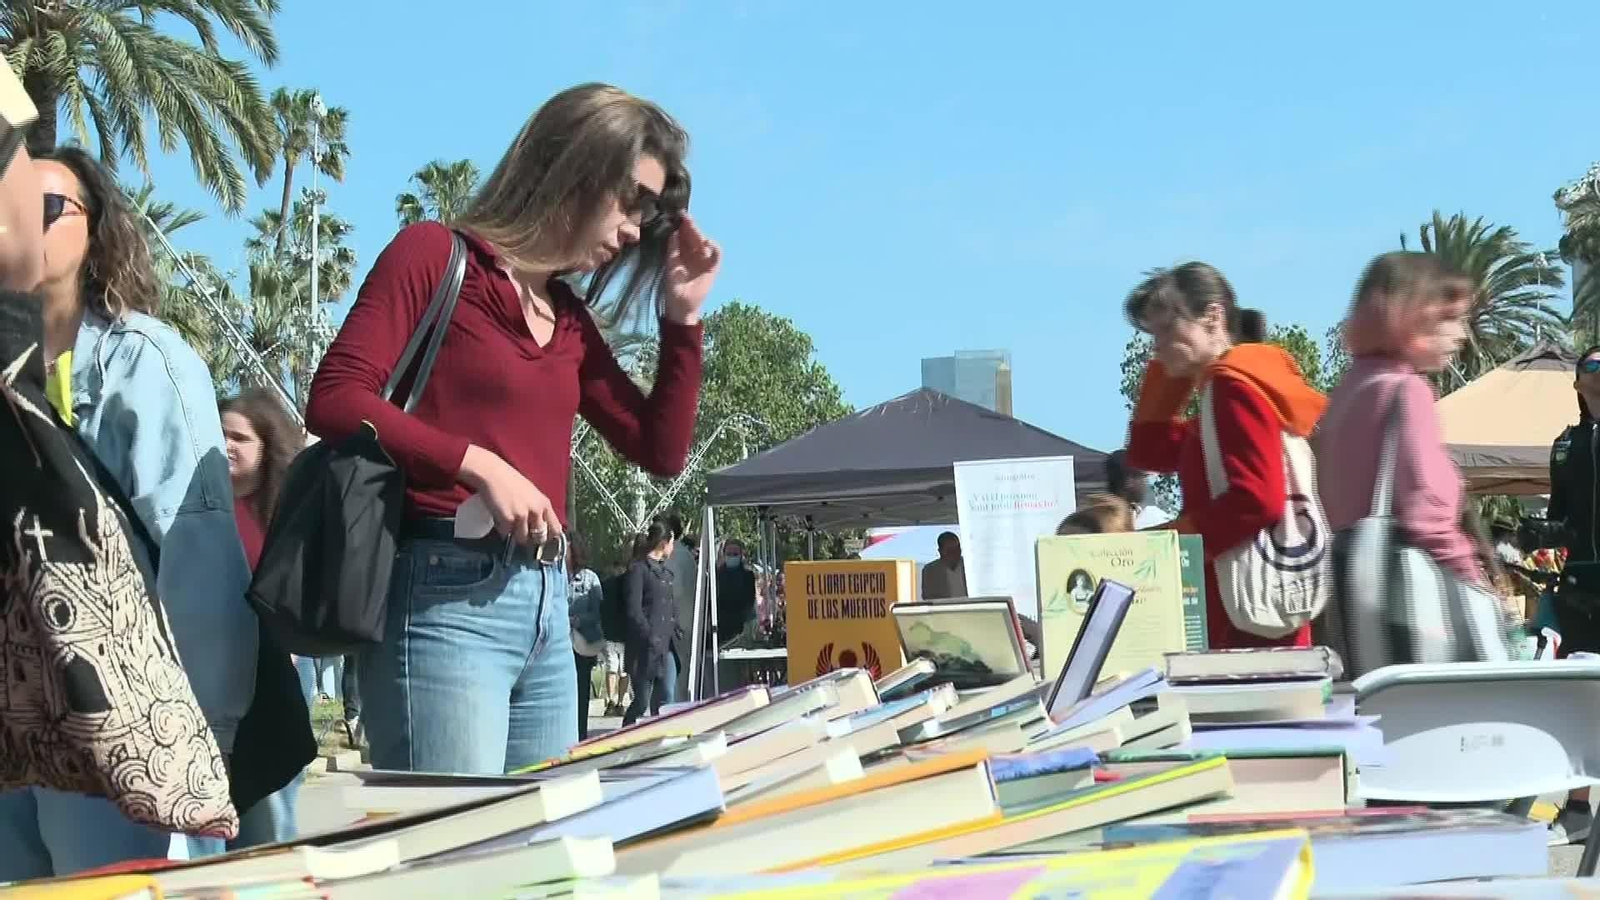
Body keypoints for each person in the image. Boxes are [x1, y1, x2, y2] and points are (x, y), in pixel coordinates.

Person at [305, 83, 720, 774]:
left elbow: (662, 449)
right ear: (574, 166)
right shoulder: (433, 256)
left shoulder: (569, 322)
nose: (632, 230)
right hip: (441, 597)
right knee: (454, 862)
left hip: (548, 612)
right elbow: (335, 398)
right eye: (631, 200)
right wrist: (475, 463)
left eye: (650, 215)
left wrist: (682, 317)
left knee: (539, 859)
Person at [0, 148, 260, 876]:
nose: (22, 220)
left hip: (116, 721)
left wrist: (207, 731)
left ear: (96, 234)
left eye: (50, 208)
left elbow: (200, 557)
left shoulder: (145, 363)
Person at [1124, 261, 1324, 650]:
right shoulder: (1228, 391)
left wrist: (1169, 542)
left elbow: (1256, 499)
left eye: (1167, 328)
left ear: (1213, 315)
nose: (1156, 345)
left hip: (1247, 618)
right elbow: (1150, 450)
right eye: (1153, 334)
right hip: (1249, 605)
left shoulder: (1233, 388)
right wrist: (1175, 368)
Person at [1319, 253, 1484, 585]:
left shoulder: (1349, 390)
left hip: (1355, 602)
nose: (1462, 334)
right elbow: (1428, 518)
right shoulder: (1407, 392)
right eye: (1450, 317)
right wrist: (1482, 592)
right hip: (1415, 607)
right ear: (1413, 314)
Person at [219, 388, 306, 848]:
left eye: (239, 437)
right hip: (211, 674)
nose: (226, 444)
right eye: (220, 434)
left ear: (267, 445)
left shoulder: (287, 510)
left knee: (269, 819)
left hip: (275, 671)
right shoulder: (201, 509)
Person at [1539, 344, 1600, 845]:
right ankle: (1577, 809)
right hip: (1581, 584)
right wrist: (1533, 536)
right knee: (1581, 696)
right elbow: (1561, 516)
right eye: (1593, 367)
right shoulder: (1564, 444)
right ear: (1578, 382)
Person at [622, 520, 682, 725]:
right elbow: (633, 610)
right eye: (672, 542)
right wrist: (650, 635)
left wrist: (676, 628)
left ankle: (663, 736)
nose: (673, 548)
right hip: (644, 649)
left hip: (667, 647)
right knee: (641, 701)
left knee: (666, 696)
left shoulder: (666, 573)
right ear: (664, 543)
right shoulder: (639, 570)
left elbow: (668, 605)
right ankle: (625, 735)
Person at [567, 535, 605, 741]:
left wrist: (577, 620)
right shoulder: (556, 576)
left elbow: (598, 613)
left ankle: (580, 735)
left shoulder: (590, 579)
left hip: (582, 645)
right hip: (561, 644)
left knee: (582, 693)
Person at [663, 513, 698, 700]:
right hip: (688, 620)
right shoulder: (685, 554)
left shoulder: (673, 557)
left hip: (677, 623)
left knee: (676, 674)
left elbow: (672, 591)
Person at [1104, 450, 1170, 529]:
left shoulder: (1093, 516)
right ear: (1129, 480)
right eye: (1144, 477)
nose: (1146, 483)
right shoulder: (1154, 518)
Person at [716, 539, 758, 641]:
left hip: (741, 626)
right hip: (720, 625)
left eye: (735, 554)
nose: (732, 556)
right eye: (729, 553)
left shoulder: (748, 576)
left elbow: (749, 601)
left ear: (741, 554)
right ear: (724, 554)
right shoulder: (716, 575)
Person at [921, 531, 967, 600]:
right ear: (940, 551)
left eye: (957, 549)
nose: (955, 553)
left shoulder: (970, 566)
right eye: (950, 550)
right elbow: (928, 597)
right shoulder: (930, 570)